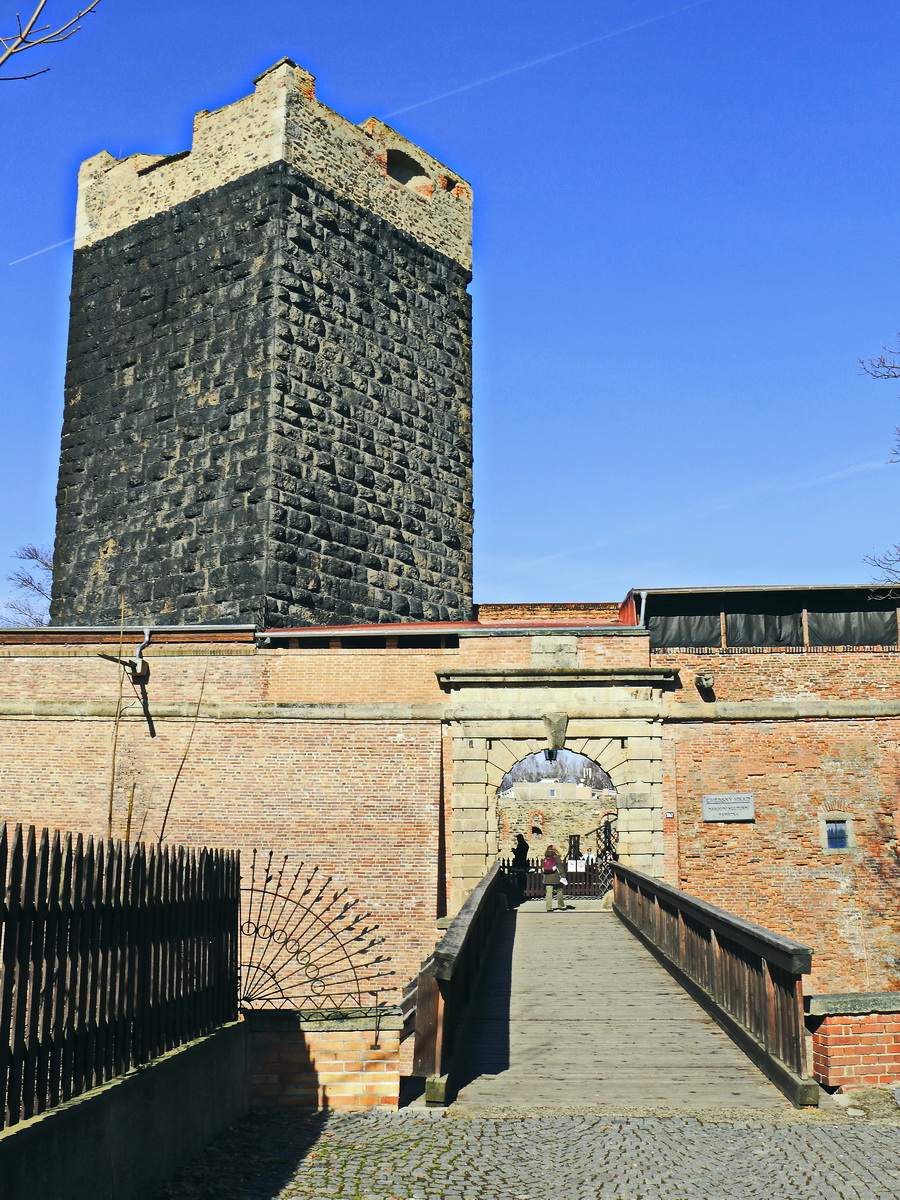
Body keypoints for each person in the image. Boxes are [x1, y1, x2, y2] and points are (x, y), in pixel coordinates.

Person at [542, 845, 566, 912]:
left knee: (549, 892)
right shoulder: (556, 857)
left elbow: (543, 868)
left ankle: (549, 907)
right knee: (559, 891)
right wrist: (563, 875)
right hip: (556, 877)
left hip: (547, 877)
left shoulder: (545, 858)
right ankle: (561, 905)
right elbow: (560, 867)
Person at [511, 833, 530, 905]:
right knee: (520, 877)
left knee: (520, 878)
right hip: (521, 862)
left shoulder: (522, 845)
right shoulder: (524, 845)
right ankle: (521, 891)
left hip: (520, 863)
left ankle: (520, 892)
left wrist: (514, 851)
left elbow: (520, 853)